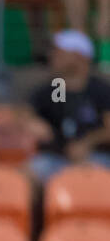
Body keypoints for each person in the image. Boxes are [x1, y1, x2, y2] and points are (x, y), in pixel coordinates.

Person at [21, 28, 110, 181]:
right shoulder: (52, 88)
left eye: (59, 51)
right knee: (25, 176)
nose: (53, 55)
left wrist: (87, 143)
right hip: (56, 159)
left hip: (96, 158)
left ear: (79, 56)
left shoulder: (100, 90)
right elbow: (24, 113)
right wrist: (31, 122)